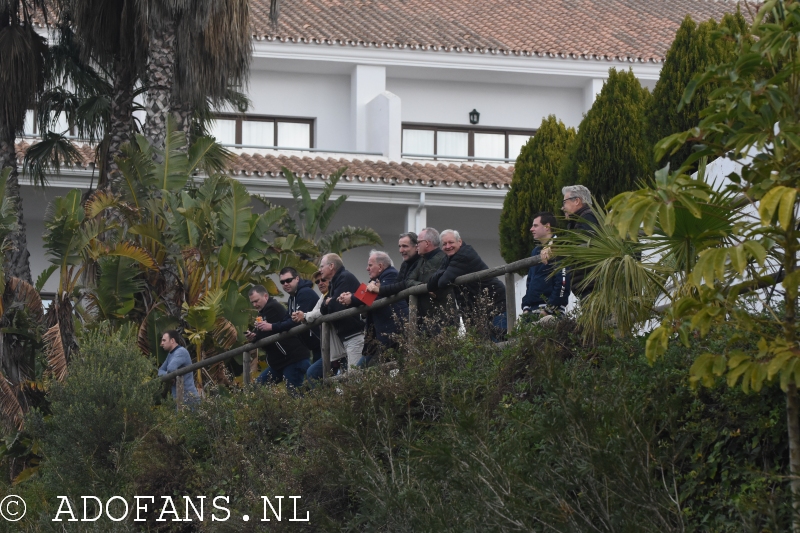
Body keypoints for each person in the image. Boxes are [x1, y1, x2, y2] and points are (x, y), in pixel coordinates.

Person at [426, 230, 507, 340]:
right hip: (479, 309)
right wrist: (443, 272)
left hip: (496, 304)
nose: (448, 246)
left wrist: (442, 272)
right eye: (444, 244)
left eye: (451, 242)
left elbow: (442, 282)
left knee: (499, 342)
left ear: (459, 241)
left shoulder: (464, 255)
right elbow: (430, 285)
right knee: (483, 348)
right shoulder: (449, 258)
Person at [368, 227, 453, 325]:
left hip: (436, 315)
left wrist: (355, 298)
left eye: (404, 246)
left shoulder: (389, 274)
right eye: (399, 246)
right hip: (421, 316)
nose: (401, 250)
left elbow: (404, 285)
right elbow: (408, 281)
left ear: (380, 266)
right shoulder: (411, 263)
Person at [339, 251, 408, 367]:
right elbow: (363, 294)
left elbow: (373, 296)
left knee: (376, 371)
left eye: (370, 265)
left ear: (380, 266)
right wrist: (349, 296)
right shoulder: (375, 280)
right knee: (362, 371)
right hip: (378, 338)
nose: (367, 269)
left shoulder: (391, 274)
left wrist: (351, 298)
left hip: (392, 335)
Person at [246, 285, 311, 391]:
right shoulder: (263, 313)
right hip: (279, 363)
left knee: (294, 394)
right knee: (257, 388)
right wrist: (253, 336)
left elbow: (267, 332)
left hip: (293, 358)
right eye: (252, 302)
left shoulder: (272, 308)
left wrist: (258, 334)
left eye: (256, 301)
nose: (255, 305)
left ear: (265, 296)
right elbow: (262, 332)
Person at [256, 267, 322, 362]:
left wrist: (271, 326)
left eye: (288, 280)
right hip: (315, 346)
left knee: (315, 373)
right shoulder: (291, 298)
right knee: (319, 375)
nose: (285, 284)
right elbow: (286, 319)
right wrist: (267, 325)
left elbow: (295, 321)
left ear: (297, 279)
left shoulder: (305, 293)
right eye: (282, 282)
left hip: (323, 341)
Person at [551, 184, 599, 299]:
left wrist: (554, 246)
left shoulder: (588, 216)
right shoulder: (575, 222)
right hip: (586, 285)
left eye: (564, 202)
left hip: (593, 285)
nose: (562, 207)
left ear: (577, 201)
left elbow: (581, 238)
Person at [297, 275, 348, 383]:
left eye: (323, 280)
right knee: (313, 372)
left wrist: (306, 316)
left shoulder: (336, 291)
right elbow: (313, 314)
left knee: (348, 379)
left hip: (345, 344)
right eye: (317, 281)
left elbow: (320, 312)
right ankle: (325, 399)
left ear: (331, 279)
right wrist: (305, 316)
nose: (320, 283)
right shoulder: (323, 297)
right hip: (333, 349)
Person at [318, 253, 365, 368]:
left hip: (355, 335)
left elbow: (336, 307)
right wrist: (327, 302)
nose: (320, 270)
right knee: (353, 377)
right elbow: (323, 309)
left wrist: (330, 302)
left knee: (355, 378)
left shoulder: (344, 277)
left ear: (331, 266)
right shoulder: (335, 281)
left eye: (321, 266)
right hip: (347, 337)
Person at [522, 212, 569, 325]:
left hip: (550, 315)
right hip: (532, 312)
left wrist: (549, 309)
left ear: (547, 226)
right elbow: (530, 281)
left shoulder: (559, 246)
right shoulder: (535, 251)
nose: (531, 229)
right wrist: (526, 307)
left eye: (535, 225)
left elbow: (563, 282)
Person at [158, 330, 199, 403]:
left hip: (189, 397)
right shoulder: (170, 354)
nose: (162, 343)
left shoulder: (181, 351)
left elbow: (171, 368)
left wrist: (171, 375)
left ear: (172, 340)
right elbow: (160, 371)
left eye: (164, 340)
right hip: (179, 398)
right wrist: (170, 376)